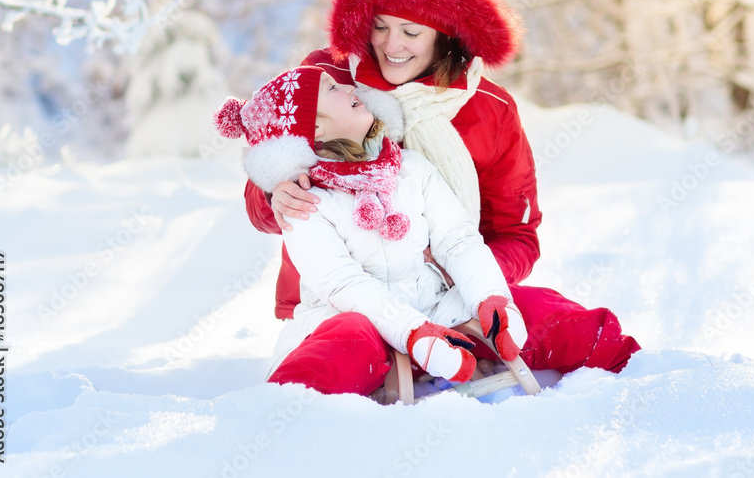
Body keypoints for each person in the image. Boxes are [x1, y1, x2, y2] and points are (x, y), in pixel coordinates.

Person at [245, 0, 640, 375]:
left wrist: (469, 279)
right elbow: (264, 180)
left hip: (446, 297)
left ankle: (636, 377)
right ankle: (294, 408)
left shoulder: (490, 112)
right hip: (342, 306)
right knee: (342, 349)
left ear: (446, 34)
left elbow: (516, 233)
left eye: (412, 32)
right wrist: (276, 194)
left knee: (550, 313)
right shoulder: (326, 83)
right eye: (380, 26)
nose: (391, 45)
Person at [216, 65, 529, 393]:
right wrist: (412, 330)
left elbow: (459, 239)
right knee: (346, 340)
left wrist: (491, 297)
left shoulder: (411, 168)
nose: (350, 88)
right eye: (332, 88)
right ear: (317, 127)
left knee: (526, 305)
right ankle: (275, 407)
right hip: (359, 321)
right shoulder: (303, 202)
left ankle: (587, 344)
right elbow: (343, 283)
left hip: (432, 307)